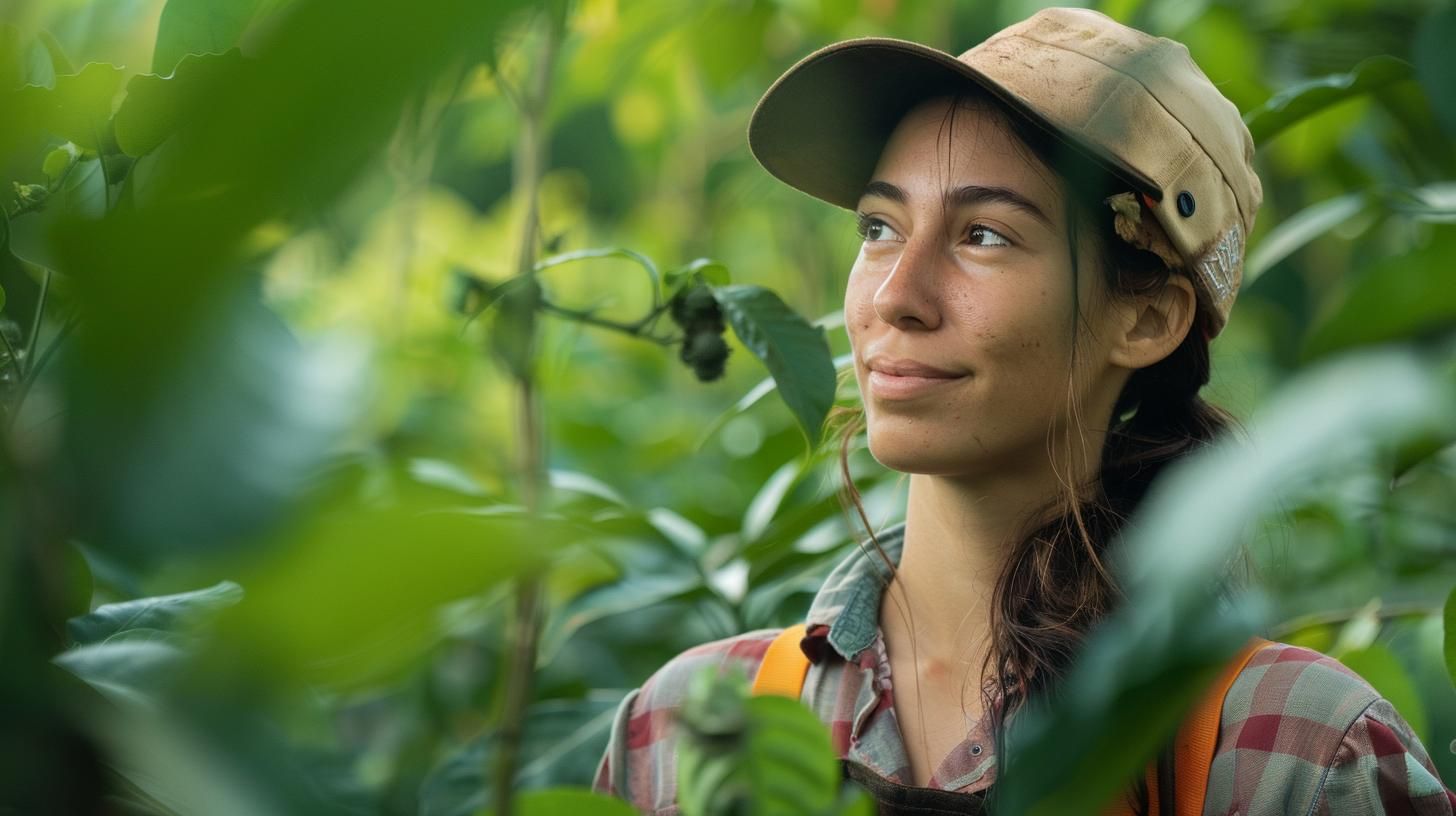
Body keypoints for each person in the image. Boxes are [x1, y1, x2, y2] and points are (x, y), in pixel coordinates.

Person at [594, 7, 1454, 815]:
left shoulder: (1288, 752)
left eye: (985, 236)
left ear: (1148, 317)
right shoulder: (684, 731)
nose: (896, 298)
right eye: (878, 227)